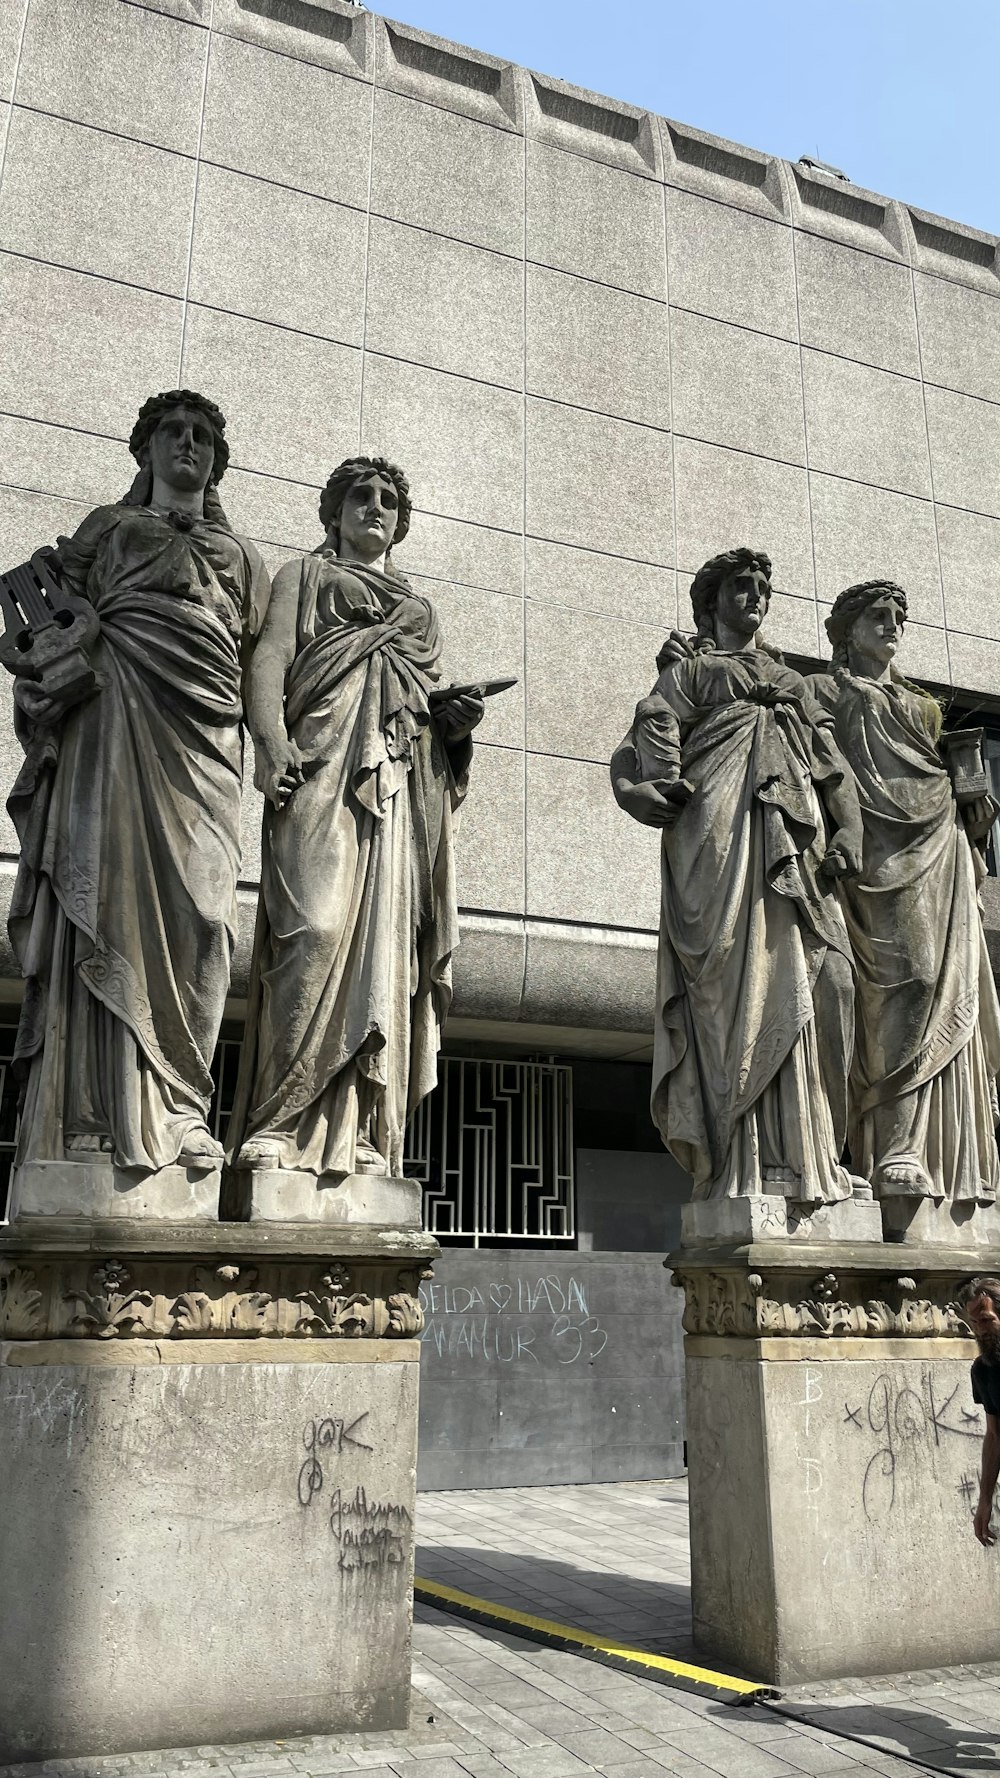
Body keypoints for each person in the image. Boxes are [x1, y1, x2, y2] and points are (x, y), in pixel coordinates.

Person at [6, 389, 269, 1181]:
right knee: (110, 909)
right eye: (171, 433)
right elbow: (46, 630)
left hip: (208, 749)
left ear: (217, 459)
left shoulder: (245, 560)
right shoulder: (107, 530)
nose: (187, 444)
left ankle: (183, 1103)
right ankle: (95, 1116)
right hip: (113, 732)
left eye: (200, 436)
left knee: (205, 921)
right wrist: (44, 676)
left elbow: (268, 675)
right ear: (145, 450)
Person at [228, 455, 483, 1181]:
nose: (376, 507)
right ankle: (282, 1117)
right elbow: (270, 658)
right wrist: (269, 741)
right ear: (333, 512)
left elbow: (428, 719)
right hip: (318, 767)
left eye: (389, 500)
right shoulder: (301, 578)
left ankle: (367, 1128)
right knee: (313, 929)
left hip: (395, 789)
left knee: (385, 956)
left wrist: (455, 728)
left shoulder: (418, 612)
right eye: (360, 496)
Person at [611, 547, 864, 1203]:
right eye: (742, 585)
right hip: (718, 847)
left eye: (763, 587)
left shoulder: (794, 684)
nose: (755, 594)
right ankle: (744, 1162)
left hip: (796, 849)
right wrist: (633, 789)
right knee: (734, 987)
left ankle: (815, 1155)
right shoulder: (688, 672)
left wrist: (851, 835)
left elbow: (832, 768)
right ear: (712, 599)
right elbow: (643, 750)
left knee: (828, 981)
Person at [814, 582, 1000, 1209]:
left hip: (933, 848)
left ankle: (902, 1149)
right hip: (863, 858)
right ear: (845, 629)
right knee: (852, 998)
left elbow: (944, 777)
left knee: (925, 981)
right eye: (877, 616)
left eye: (900, 617)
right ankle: (848, 1148)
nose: (892, 626)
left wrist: (973, 800)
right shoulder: (824, 691)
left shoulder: (920, 707)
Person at [962, 1277, 1000, 1546]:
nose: (980, 1330)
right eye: (975, 1323)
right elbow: (995, 1436)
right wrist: (985, 1500)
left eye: (986, 1320)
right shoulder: (983, 1371)